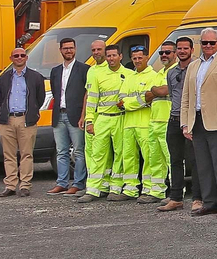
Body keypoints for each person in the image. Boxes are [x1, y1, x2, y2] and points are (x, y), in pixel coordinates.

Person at [180, 29, 217, 217]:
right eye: (204, 43)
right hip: (196, 121)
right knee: (203, 166)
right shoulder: (193, 66)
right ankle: (209, 201)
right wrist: (185, 124)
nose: (208, 46)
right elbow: (186, 97)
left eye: (211, 43)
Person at [119, 45, 169, 203]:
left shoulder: (153, 76)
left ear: (147, 58)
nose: (137, 61)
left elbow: (149, 97)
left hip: (146, 123)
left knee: (150, 158)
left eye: (140, 57)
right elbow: (120, 101)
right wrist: (134, 102)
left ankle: (148, 188)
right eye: (134, 58)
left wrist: (129, 104)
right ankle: (130, 188)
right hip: (128, 124)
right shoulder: (129, 77)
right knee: (128, 157)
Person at [79, 45, 129, 202]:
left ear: (120, 56)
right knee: (97, 154)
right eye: (109, 56)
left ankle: (115, 188)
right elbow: (92, 99)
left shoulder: (129, 74)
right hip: (102, 117)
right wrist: (89, 121)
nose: (111, 58)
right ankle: (93, 189)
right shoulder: (98, 74)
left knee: (120, 154)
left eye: (114, 55)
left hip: (121, 118)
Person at [0, 45, 46, 197]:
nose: (19, 58)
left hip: (26, 119)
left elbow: (40, 98)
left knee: (26, 154)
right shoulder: (4, 78)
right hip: (8, 120)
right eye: (16, 56)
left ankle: (25, 185)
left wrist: (32, 113)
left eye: (22, 55)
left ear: (26, 58)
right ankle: (10, 185)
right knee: (8, 155)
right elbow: (0, 98)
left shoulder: (36, 77)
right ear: (11, 58)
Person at [48, 37, 89, 195]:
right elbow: (55, 92)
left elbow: (86, 93)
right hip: (59, 115)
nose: (68, 51)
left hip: (76, 115)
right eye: (65, 48)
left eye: (71, 48)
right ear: (60, 50)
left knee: (78, 151)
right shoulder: (55, 71)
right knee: (61, 151)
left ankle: (78, 183)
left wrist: (83, 115)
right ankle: (62, 183)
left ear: (75, 49)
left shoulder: (84, 69)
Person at [159, 37, 194, 212]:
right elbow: (173, 95)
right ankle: (176, 198)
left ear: (192, 50)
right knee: (175, 160)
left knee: (194, 160)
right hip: (174, 119)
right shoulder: (171, 72)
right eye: (179, 48)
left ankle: (198, 198)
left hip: (192, 120)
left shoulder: (196, 69)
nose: (182, 51)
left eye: (185, 48)